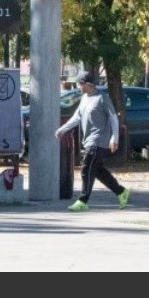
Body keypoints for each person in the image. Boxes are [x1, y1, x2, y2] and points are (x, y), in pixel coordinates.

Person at [54, 71, 130, 211]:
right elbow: (77, 117)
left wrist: (114, 138)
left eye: (79, 84)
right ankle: (120, 191)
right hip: (88, 140)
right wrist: (63, 129)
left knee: (87, 167)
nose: (78, 86)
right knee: (98, 170)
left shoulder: (102, 98)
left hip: (99, 140)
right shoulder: (84, 99)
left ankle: (83, 200)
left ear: (87, 84)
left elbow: (113, 118)